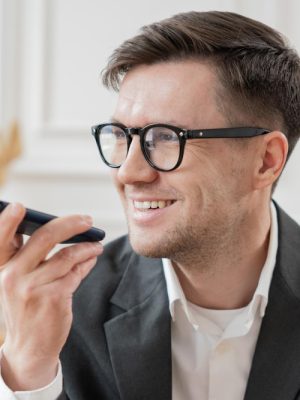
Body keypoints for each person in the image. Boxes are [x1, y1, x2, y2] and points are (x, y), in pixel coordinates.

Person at [0, 10, 300, 400]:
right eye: (122, 135)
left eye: (166, 137)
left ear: (265, 160)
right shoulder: (66, 308)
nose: (129, 172)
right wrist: (28, 369)